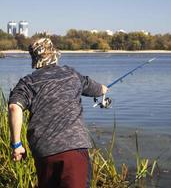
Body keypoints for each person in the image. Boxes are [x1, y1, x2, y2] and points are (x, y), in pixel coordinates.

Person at [8, 38, 108, 188]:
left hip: (44, 152)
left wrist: (17, 145)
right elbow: (98, 89)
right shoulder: (72, 74)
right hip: (74, 149)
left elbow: (14, 108)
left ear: (34, 58)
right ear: (54, 54)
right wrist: (104, 89)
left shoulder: (27, 82)